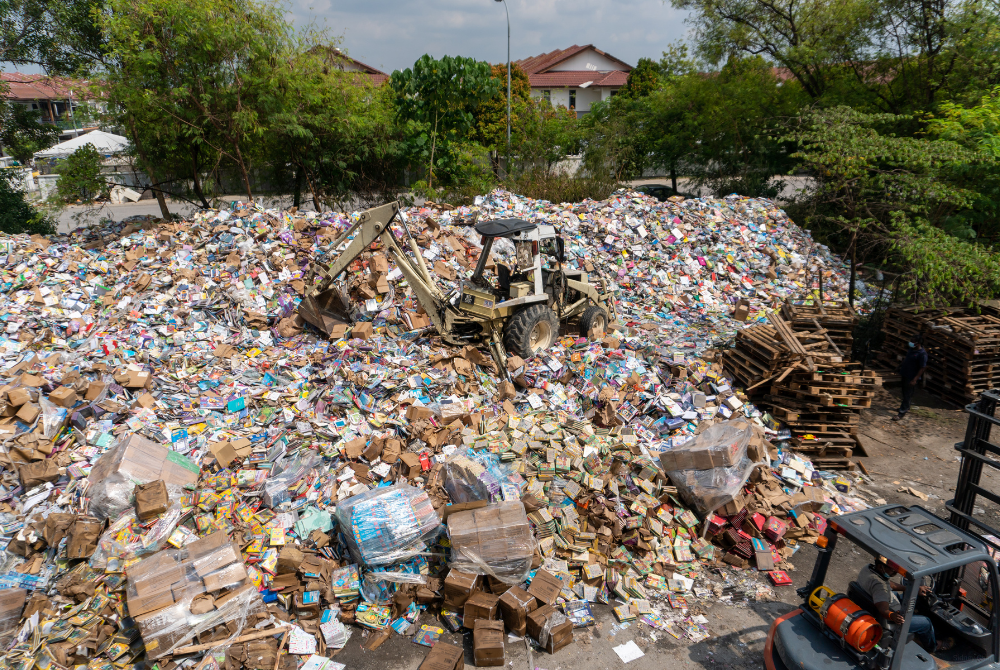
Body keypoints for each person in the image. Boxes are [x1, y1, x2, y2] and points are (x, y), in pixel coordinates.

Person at [856, 558, 953, 653]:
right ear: (881, 567)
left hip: (874, 605)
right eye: (892, 570)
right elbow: (883, 610)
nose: (895, 572)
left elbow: (888, 584)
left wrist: (911, 589)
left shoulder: (869, 569)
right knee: (926, 622)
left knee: (904, 596)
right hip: (890, 620)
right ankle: (933, 646)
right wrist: (893, 616)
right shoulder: (879, 586)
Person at [893, 335, 928, 421]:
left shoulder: (922, 354)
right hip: (905, 373)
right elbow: (906, 359)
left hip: (911, 377)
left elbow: (922, 368)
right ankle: (906, 407)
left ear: (918, 343)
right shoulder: (911, 349)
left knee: (907, 394)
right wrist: (899, 366)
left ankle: (901, 413)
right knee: (904, 392)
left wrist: (915, 379)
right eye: (911, 341)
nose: (910, 343)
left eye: (913, 341)